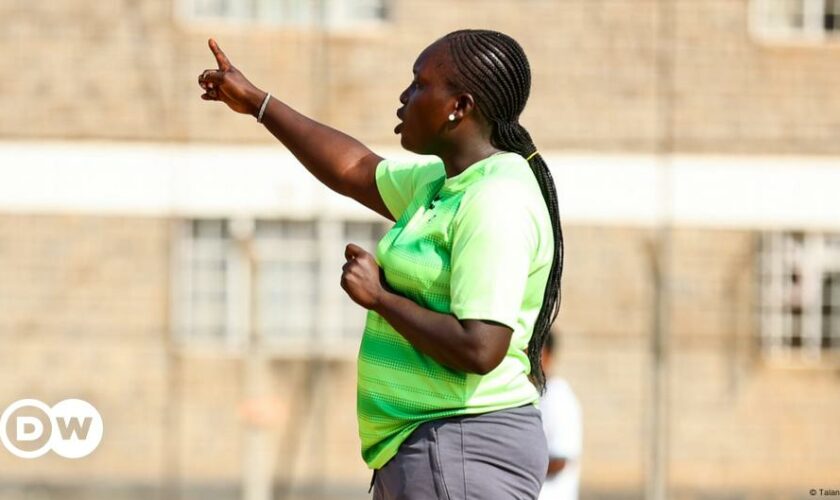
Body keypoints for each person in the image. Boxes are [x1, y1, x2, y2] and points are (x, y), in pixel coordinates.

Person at [198, 28, 565, 500]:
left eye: (419, 85)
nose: (404, 97)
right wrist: (258, 104)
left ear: (460, 106)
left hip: (459, 445)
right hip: (430, 445)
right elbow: (353, 169)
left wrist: (379, 298)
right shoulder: (444, 183)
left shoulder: (494, 200)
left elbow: (481, 348)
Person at [538, 332, 583, 500]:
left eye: (536, 352)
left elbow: (560, 460)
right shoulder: (534, 394)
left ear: (548, 355)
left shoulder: (558, 396)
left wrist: (520, 466)